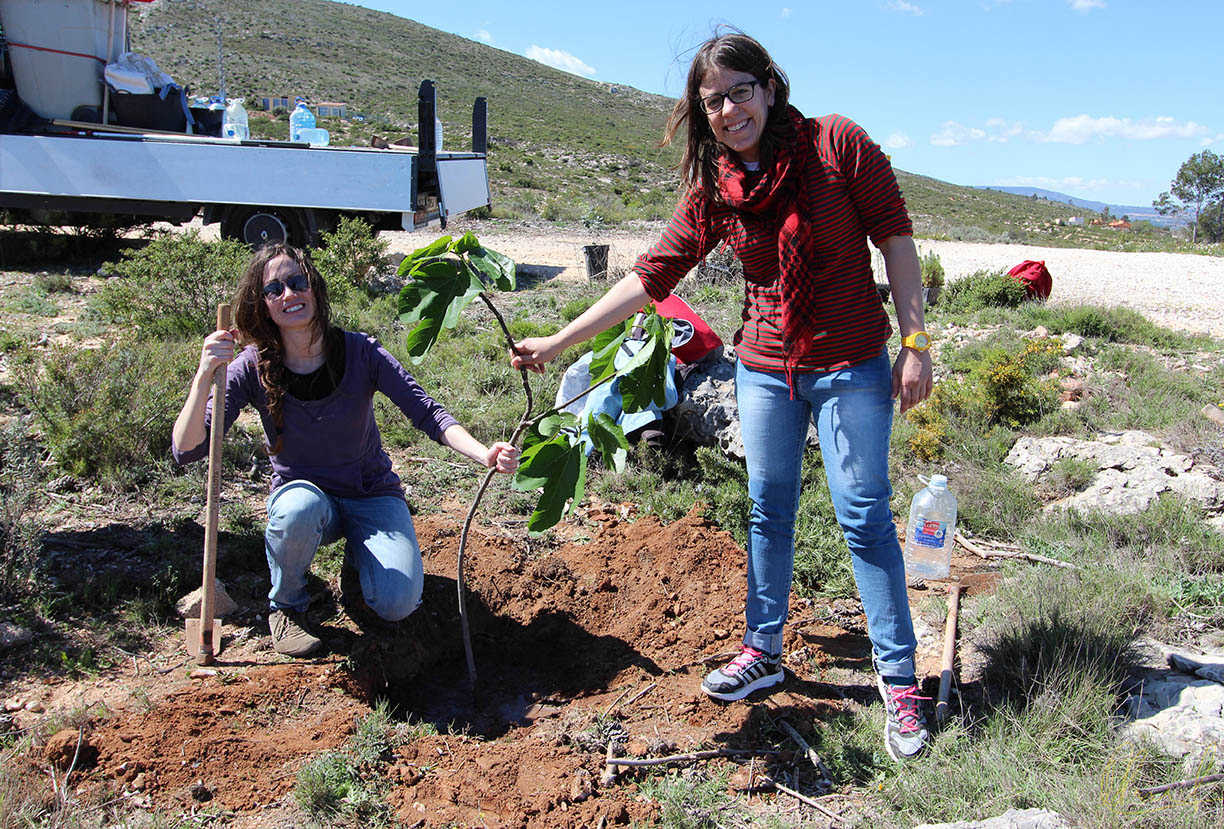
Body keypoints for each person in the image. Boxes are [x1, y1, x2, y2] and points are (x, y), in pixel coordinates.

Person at [510, 32, 934, 760]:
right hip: (766, 368)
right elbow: (651, 275)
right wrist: (557, 342)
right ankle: (762, 650)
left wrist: (916, 342)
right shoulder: (719, 187)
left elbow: (896, 239)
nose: (731, 109)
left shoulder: (837, 147)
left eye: (741, 90)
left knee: (862, 514)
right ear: (702, 113)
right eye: (714, 100)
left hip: (852, 363)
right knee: (769, 509)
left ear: (770, 86)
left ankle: (899, 679)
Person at [173, 243, 518, 658]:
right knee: (297, 508)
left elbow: (427, 413)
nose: (288, 295)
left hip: (369, 492)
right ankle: (288, 605)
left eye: (297, 282)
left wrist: (485, 454)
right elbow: (188, 447)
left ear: (314, 289)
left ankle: (359, 570)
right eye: (274, 289)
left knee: (397, 603)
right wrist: (203, 376)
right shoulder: (251, 365)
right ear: (263, 305)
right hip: (303, 497)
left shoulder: (360, 352)